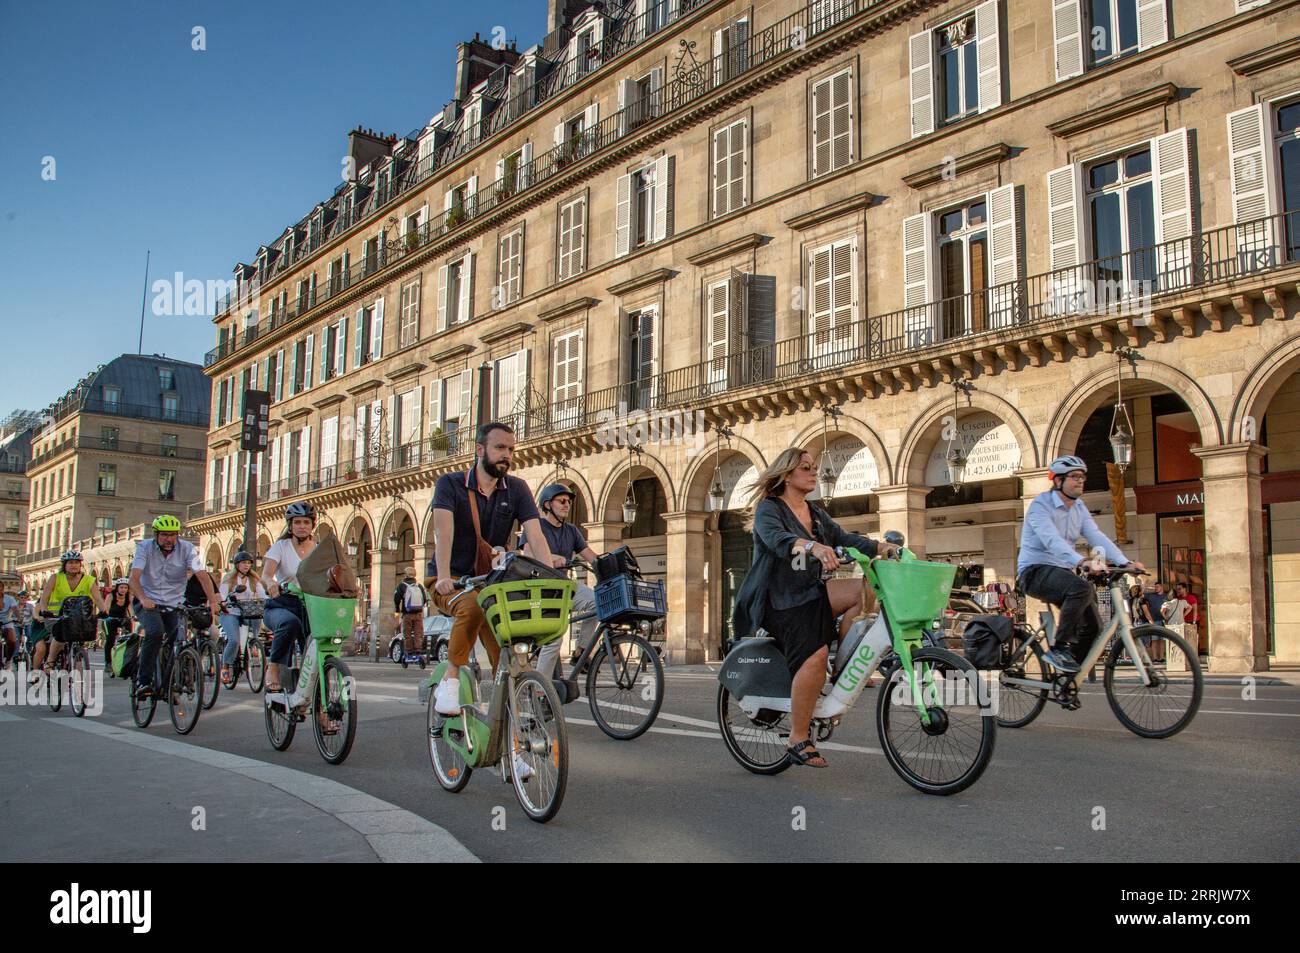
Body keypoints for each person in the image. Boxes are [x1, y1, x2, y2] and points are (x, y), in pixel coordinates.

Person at [731, 448, 898, 769]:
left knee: (862, 589)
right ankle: (798, 736)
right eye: (806, 468)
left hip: (810, 593)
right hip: (778, 600)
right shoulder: (770, 509)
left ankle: (842, 670)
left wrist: (881, 547)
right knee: (815, 654)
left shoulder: (816, 514)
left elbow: (845, 538)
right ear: (787, 474)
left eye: (814, 468)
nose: (813, 473)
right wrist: (811, 546)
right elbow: (778, 540)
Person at [428, 423, 556, 764]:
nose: (507, 456)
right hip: (452, 581)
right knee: (470, 605)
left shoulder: (516, 489)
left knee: (509, 659)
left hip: (492, 585)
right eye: (500, 448)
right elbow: (443, 532)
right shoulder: (451, 484)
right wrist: (442, 576)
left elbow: (536, 535)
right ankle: (451, 679)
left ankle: (513, 747)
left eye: (511, 450)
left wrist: (550, 577)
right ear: (480, 449)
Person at [1017, 456, 1146, 674]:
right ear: (1058, 481)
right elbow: (1052, 541)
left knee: (1094, 626)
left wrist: (1125, 562)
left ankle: (1068, 678)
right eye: (1074, 476)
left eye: (1082, 476)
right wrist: (1082, 560)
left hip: (1060, 572)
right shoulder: (1040, 506)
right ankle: (1059, 648)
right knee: (1081, 588)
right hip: (1034, 571)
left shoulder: (1079, 508)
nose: (1081, 481)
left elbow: (1097, 536)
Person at [130, 517, 218, 698]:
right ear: (156, 535)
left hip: (173, 603)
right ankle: (143, 681)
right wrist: (143, 598)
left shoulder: (187, 548)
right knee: (155, 632)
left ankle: (169, 683)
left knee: (177, 640)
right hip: (147, 601)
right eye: (164, 535)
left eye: (172, 535)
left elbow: (202, 574)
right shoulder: (144, 547)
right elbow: (134, 578)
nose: (168, 539)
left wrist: (213, 601)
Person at [523, 483, 599, 680]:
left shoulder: (572, 531)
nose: (567, 505)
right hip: (542, 590)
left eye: (569, 502)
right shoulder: (536, 526)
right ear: (548, 504)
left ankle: (581, 651)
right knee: (554, 641)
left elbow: (590, 555)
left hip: (565, 587)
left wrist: (609, 564)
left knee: (597, 602)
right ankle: (540, 689)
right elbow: (528, 553)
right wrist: (553, 558)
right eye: (562, 501)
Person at [260, 502, 318, 699]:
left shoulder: (319, 549)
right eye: (297, 522)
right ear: (290, 525)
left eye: (306, 522)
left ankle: (322, 710)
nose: (302, 526)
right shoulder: (281, 547)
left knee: (318, 644)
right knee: (289, 623)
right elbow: (266, 574)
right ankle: (273, 667)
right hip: (282, 603)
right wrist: (270, 584)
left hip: (310, 605)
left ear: (312, 525)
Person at [33, 551, 108, 683]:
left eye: (76, 563)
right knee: (60, 636)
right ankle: (50, 662)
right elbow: (44, 597)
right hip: (56, 617)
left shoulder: (89, 580)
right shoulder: (56, 578)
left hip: (79, 618)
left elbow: (98, 598)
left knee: (80, 643)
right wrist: (44, 610)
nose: (74, 565)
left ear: (80, 565)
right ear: (65, 565)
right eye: (70, 563)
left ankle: (78, 681)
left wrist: (103, 611)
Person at [219, 552, 266, 687]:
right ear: (237, 565)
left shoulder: (254, 580)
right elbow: (222, 595)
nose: (247, 565)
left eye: (249, 563)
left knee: (258, 614)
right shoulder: (229, 579)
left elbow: (262, 594)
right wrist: (224, 602)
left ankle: (254, 642)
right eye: (244, 563)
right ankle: (225, 666)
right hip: (231, 612)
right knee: (234, 640)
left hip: (247, 611)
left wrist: (269, 601)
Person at [393, 569, 428, 658]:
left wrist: (397, 609)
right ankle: (418, 650)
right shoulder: (419, 586)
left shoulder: (402, 586)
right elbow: (424, 599)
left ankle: (408, 651)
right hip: (418, 614)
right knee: (418, 633)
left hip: (407, 613)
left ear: (405, 575)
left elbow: (396, 599)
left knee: (407, 633)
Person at [102, 579, 133, 678]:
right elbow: (106, 607)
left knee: (129, 637)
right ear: (117, 588)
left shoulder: (128, 597)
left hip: (123, 619)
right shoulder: (111, 596)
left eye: (125, 588)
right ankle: (108, 662)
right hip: (111, 619)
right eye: (121, 587)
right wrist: (106, 615)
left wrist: (133, 616)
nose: (123, 590)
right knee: (110, 639)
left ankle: (127, 660)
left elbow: (131, 609)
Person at [0, 580, 18, 665]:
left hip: (7, 622)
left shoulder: (9, 599)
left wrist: (19, 617)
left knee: (12, 640)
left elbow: (15, 609)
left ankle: (8, 660)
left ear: (3, 588)